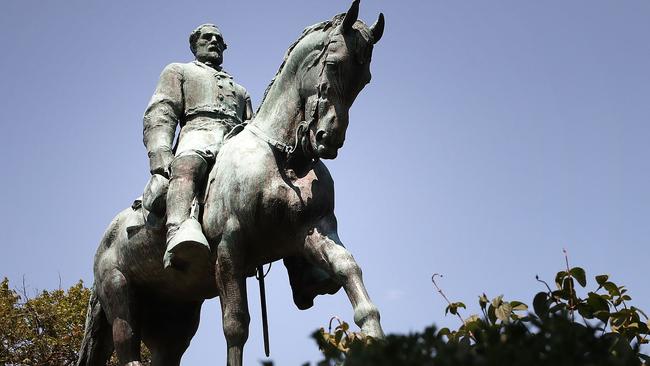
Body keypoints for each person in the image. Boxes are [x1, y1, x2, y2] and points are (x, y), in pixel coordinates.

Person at [143, 23, 253, 270]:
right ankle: (178, 231)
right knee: (188, 164)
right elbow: (162, 111)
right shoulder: (179, 71)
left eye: (219, 39)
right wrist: (160, 151)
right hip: (198, 132)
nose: (214, 41)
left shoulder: (241, 90)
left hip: (236, 141)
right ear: (194, 45)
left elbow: (252, 124)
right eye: (207, 37)